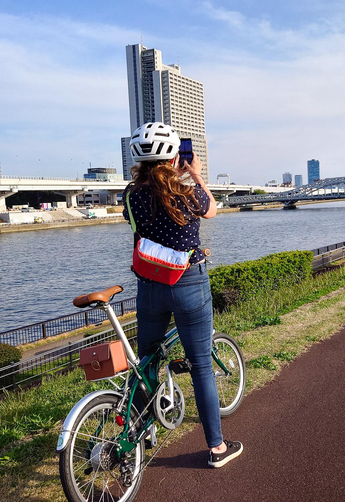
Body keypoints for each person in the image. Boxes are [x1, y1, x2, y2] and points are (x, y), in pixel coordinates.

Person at [123, 122, 243, 468]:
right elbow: (212, 210)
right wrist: (195, 173)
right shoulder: (187, 191)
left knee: (147, 360)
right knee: (202, 364)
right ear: (175, 156)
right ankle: (217, 448)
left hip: (149, 285)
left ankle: (141, 432)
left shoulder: (131, 196)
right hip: (189, 282)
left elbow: (136, 226)